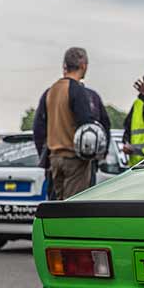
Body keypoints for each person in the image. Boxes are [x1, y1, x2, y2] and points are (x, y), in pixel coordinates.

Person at [33, 47, 107, 200]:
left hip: (55, 159)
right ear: (84, 65)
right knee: (74, 208)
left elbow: (38, 128)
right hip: (74, 159)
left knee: (58, 207)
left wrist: (45, 156)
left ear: (65, 65)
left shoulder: (51, 91)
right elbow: (87, 128)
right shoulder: (78, 91)